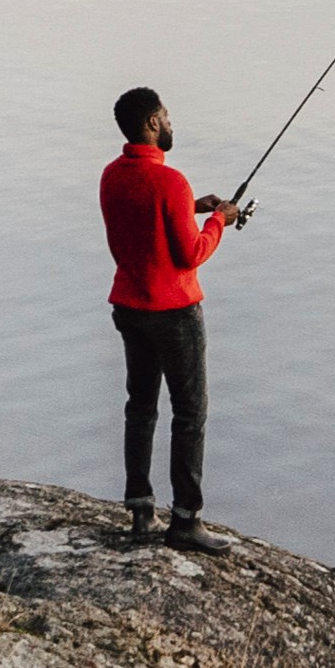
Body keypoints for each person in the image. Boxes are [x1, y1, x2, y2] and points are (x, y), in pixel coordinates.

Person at [99, 87, 240, 553]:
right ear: (153, 124)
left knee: (140, 406)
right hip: (174, 312)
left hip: (130, 308)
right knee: (190, 412)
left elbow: (139, 225)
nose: (171, 122)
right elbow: (190, 253)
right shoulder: (170, 182)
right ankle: (185, 520)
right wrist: (219, 220)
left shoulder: (112, 176)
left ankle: (141, 511)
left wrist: (193, 207)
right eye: (167, 115)